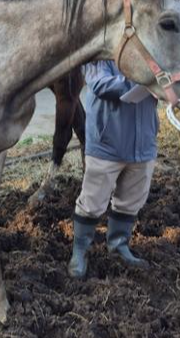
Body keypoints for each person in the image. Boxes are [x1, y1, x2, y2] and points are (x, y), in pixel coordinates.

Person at [68, 60, 159, 278]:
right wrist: (145, 80)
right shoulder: (100, 54)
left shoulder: (150, 51)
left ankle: (119, 245)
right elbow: (100, 84)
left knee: (131, 200)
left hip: (143, 140)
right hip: (108, 141)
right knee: (92, 201)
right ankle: (80, 251)